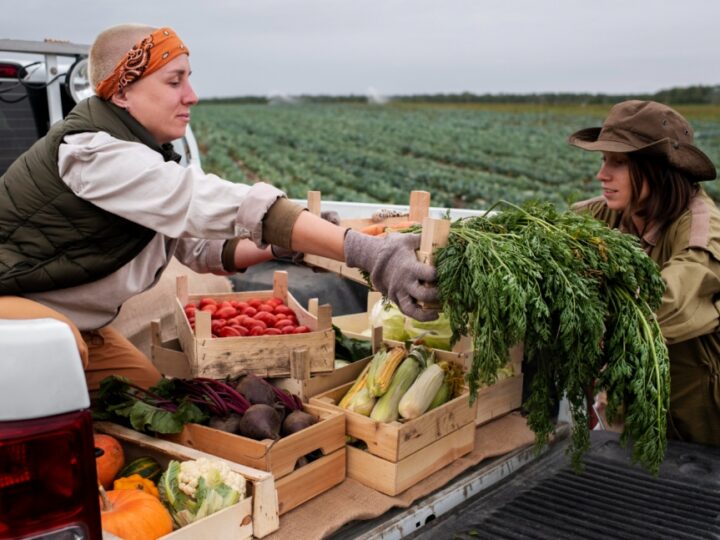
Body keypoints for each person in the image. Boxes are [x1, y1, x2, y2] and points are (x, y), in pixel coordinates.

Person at [0, 24, 438, 391]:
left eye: (189, 79)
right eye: (174, 81)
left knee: (148, 398)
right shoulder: (92, 154)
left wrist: (288, 244)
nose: (191, 95)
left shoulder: (144, 156)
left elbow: (204, 250)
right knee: (55, 349)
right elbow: (204, 200)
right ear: (122, 92)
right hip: (17, 310)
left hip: (76, 323)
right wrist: (370, 253)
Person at [569, 100, 719, 446]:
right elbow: (542, 236)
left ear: (657, 170)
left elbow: (671, 301)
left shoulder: (702, 230)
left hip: (701, 428)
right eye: (603, 159)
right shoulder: (606, 214)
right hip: (634, 415)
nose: (602, 175)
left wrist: (583, 311)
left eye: (618, 162)